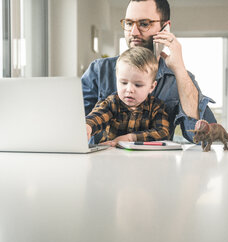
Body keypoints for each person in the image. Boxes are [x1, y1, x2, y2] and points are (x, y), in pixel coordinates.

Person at [82, 0, 216, 144]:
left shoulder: (180, 77)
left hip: (157, 165)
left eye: (144, 24)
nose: (133, 32)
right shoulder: (99, 70)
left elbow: (203, 139)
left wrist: (179, 69)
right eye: (129, 23)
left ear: (165, 28)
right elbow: (74, 125)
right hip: (103, 164)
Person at [86, 46, 169, 147]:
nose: (129, 89)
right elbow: (97, 116)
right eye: (123, 82)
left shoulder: (156, 106)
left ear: (151, 87)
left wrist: (131, 138)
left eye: (138, 85)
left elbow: (163, 132)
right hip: (112, 156)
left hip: (145, 159)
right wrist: (88, 126)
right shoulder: (111, 102)